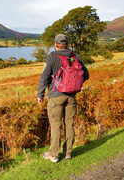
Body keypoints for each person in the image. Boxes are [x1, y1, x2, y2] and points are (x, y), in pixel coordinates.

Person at [37, 34, 89, 163]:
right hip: (71, 97)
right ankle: (68, 153)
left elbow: (44, 78)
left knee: (56, 126)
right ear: (67, 44)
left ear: (55, 44)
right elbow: (86, 75)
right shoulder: (75, 56)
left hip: (55, 97)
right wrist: (73, 84)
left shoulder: (52, 58)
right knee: (69, 125)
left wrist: (40, 94)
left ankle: (54, 155)